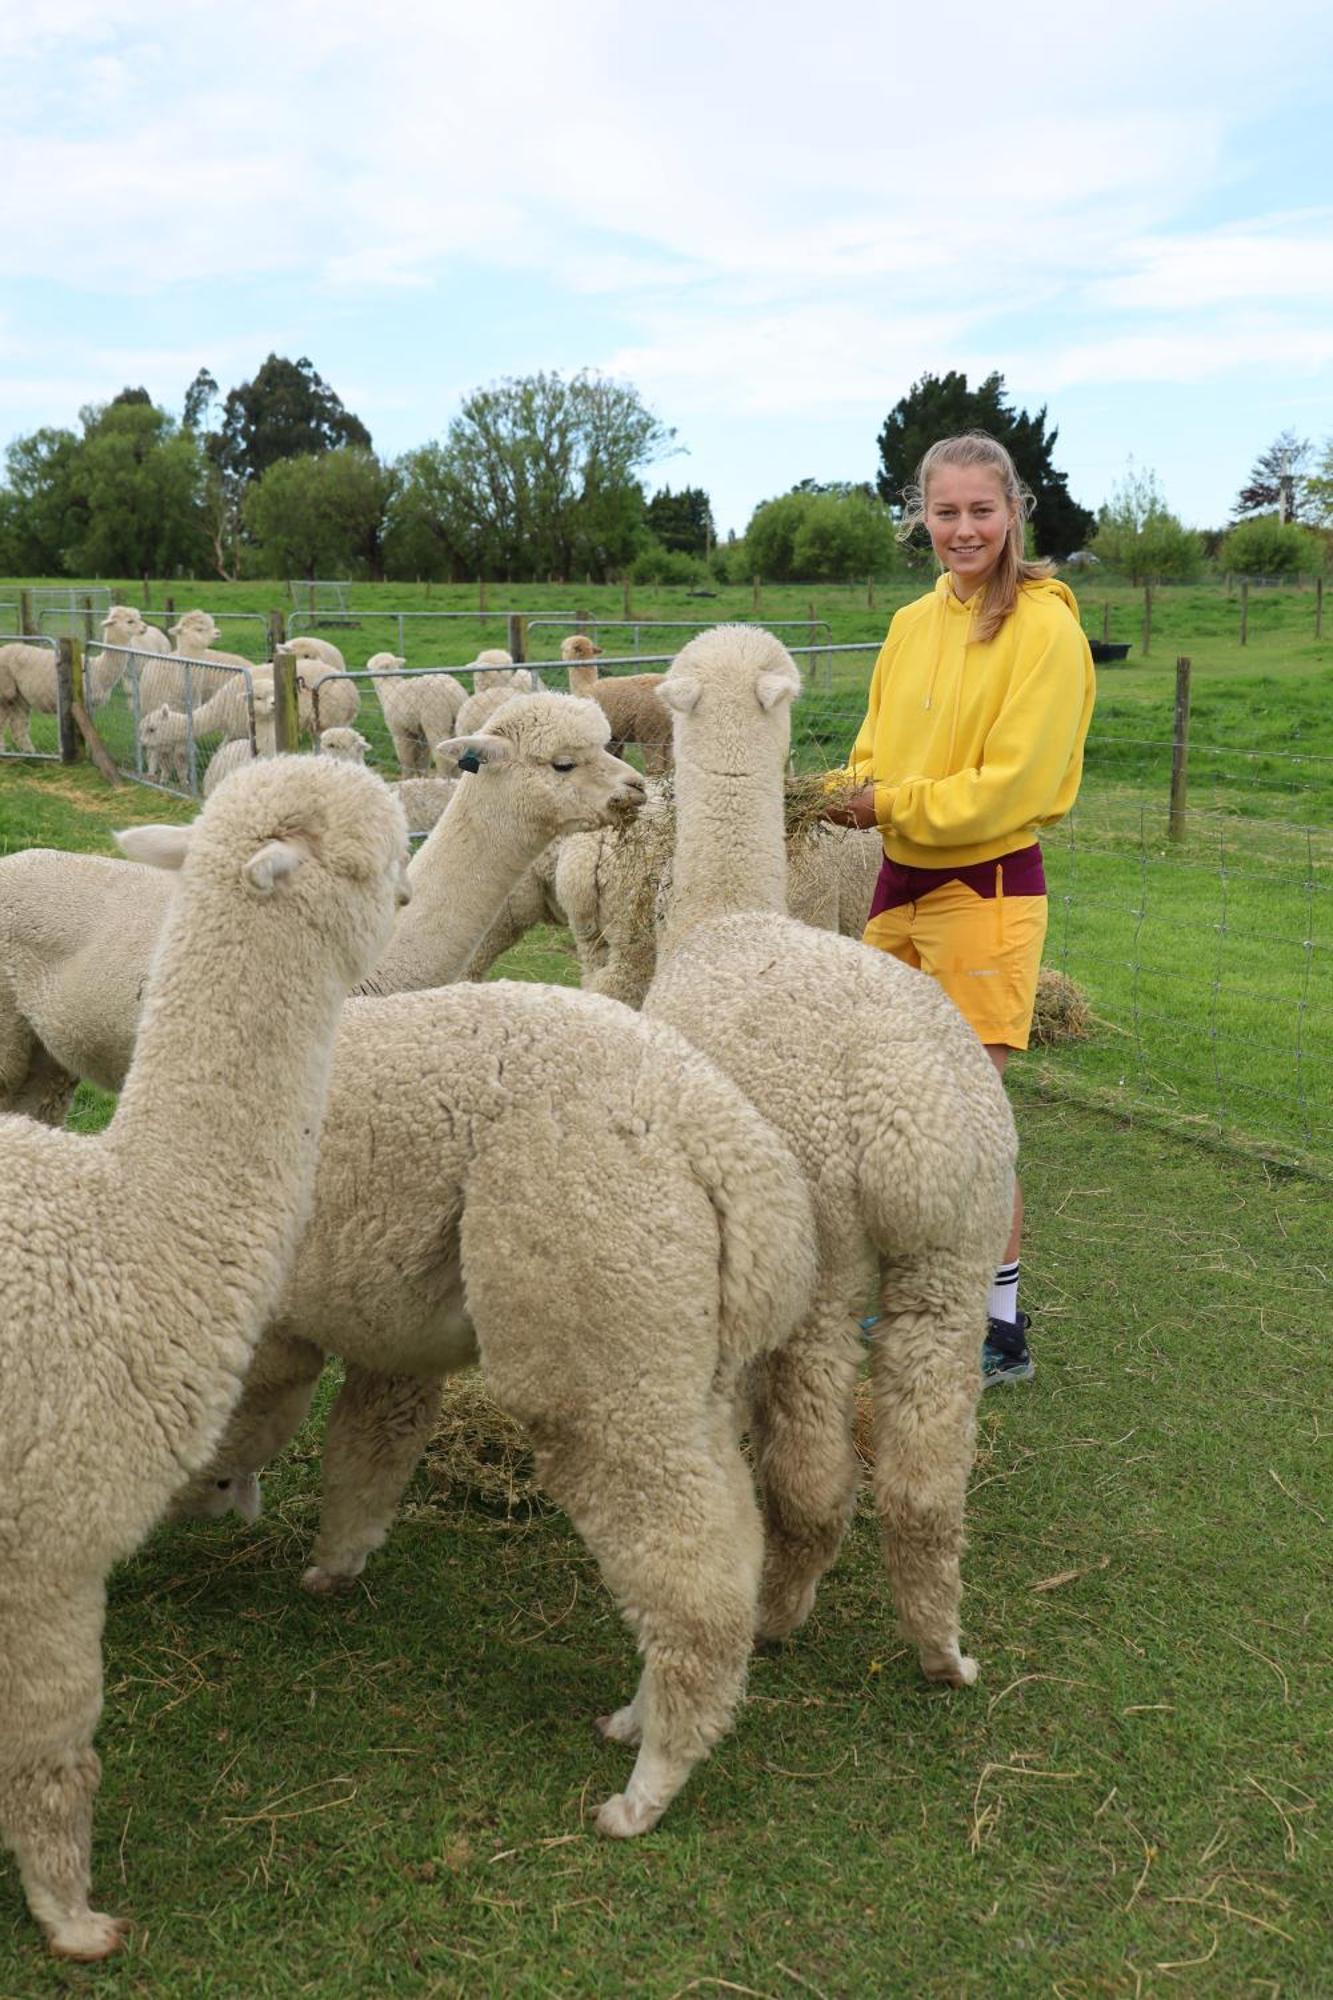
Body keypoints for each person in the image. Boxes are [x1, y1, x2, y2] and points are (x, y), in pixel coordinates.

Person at [827, 431, 1095, 1386]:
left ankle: (1000, 1327)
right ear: (921, 518)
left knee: (970, 1115)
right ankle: (905, 1292)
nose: (963, 529)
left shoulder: (1045, 631)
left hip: (982, 888)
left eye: (982, 510)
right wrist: (832, 791)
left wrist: (883, 804)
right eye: (945, 512)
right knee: (885, 1101)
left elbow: (1003, 788)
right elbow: (870, 751)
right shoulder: (910, 625)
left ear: (1015, 513)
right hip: (894, 884)